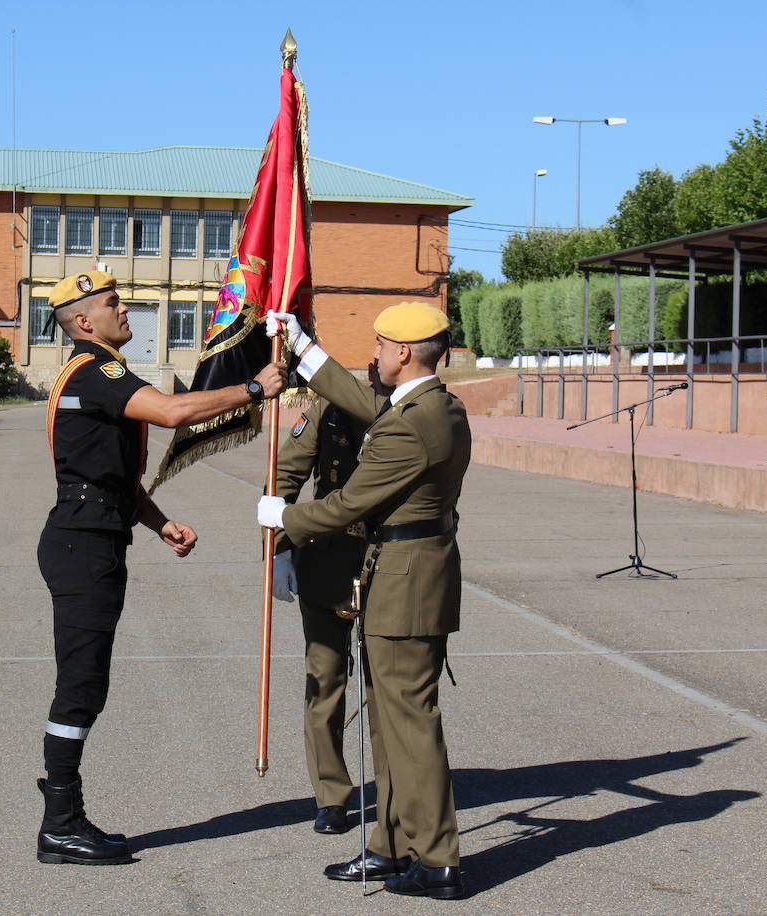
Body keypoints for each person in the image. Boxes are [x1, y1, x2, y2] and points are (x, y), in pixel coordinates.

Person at [36, 269, 286, 866]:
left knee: (87, 684)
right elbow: (173, 413)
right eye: (114, 303)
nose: (127, 311)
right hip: (82, 543)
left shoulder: (97, 372)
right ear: (83, 321)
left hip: (93, 532)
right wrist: (252, 390)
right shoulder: (98, 370)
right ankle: (60, 823)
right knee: (80, 686)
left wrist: (158, 521)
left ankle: (65, 816)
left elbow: (111, 477)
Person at [258, 302, 470, 900]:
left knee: (409, 722)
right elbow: (364, 403)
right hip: (404, 572)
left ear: (403, 352)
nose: (373, 354)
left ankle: (436, 857)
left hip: (404, 578)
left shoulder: (409, 422)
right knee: (391, 720)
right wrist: (302, 347)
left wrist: (284, 519)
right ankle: (394, 844)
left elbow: (350, 502)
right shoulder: (438, 405)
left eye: (379, 345)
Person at [272, 367, 392, 836]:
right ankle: (331, 795)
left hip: (388, 558)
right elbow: (285, 474)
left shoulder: (411, 411)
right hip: (327, 554)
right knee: (324, 679)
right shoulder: (327, 408)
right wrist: (281, 546)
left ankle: (396, 789)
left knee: (386, 685)